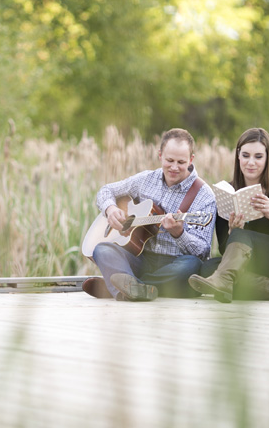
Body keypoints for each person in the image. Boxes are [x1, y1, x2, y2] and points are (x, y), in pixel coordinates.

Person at [82, 128, 216, 301]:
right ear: (160, 155)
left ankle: (124, 287)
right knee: (102, 249)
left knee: (192, 265)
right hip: (140, 259)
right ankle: (132, 286)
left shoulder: (204, 195)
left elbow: (203, 251)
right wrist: (111, 209)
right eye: (169, 160)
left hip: (174, 264)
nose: (174, 167)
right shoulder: (145, 180)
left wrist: (179, 234)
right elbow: (106, 190)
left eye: (181, 162)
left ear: (191, 159)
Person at [188, 127, 269, 303]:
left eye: (258, 157)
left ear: (267, 159)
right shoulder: (226, 193)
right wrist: (231, 231)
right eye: (246, 155)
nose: (251, 162)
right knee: (208, 269)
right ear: (238, 156)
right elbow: (226, 253)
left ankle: (226, 283)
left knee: (225, 268)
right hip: (252, 267)